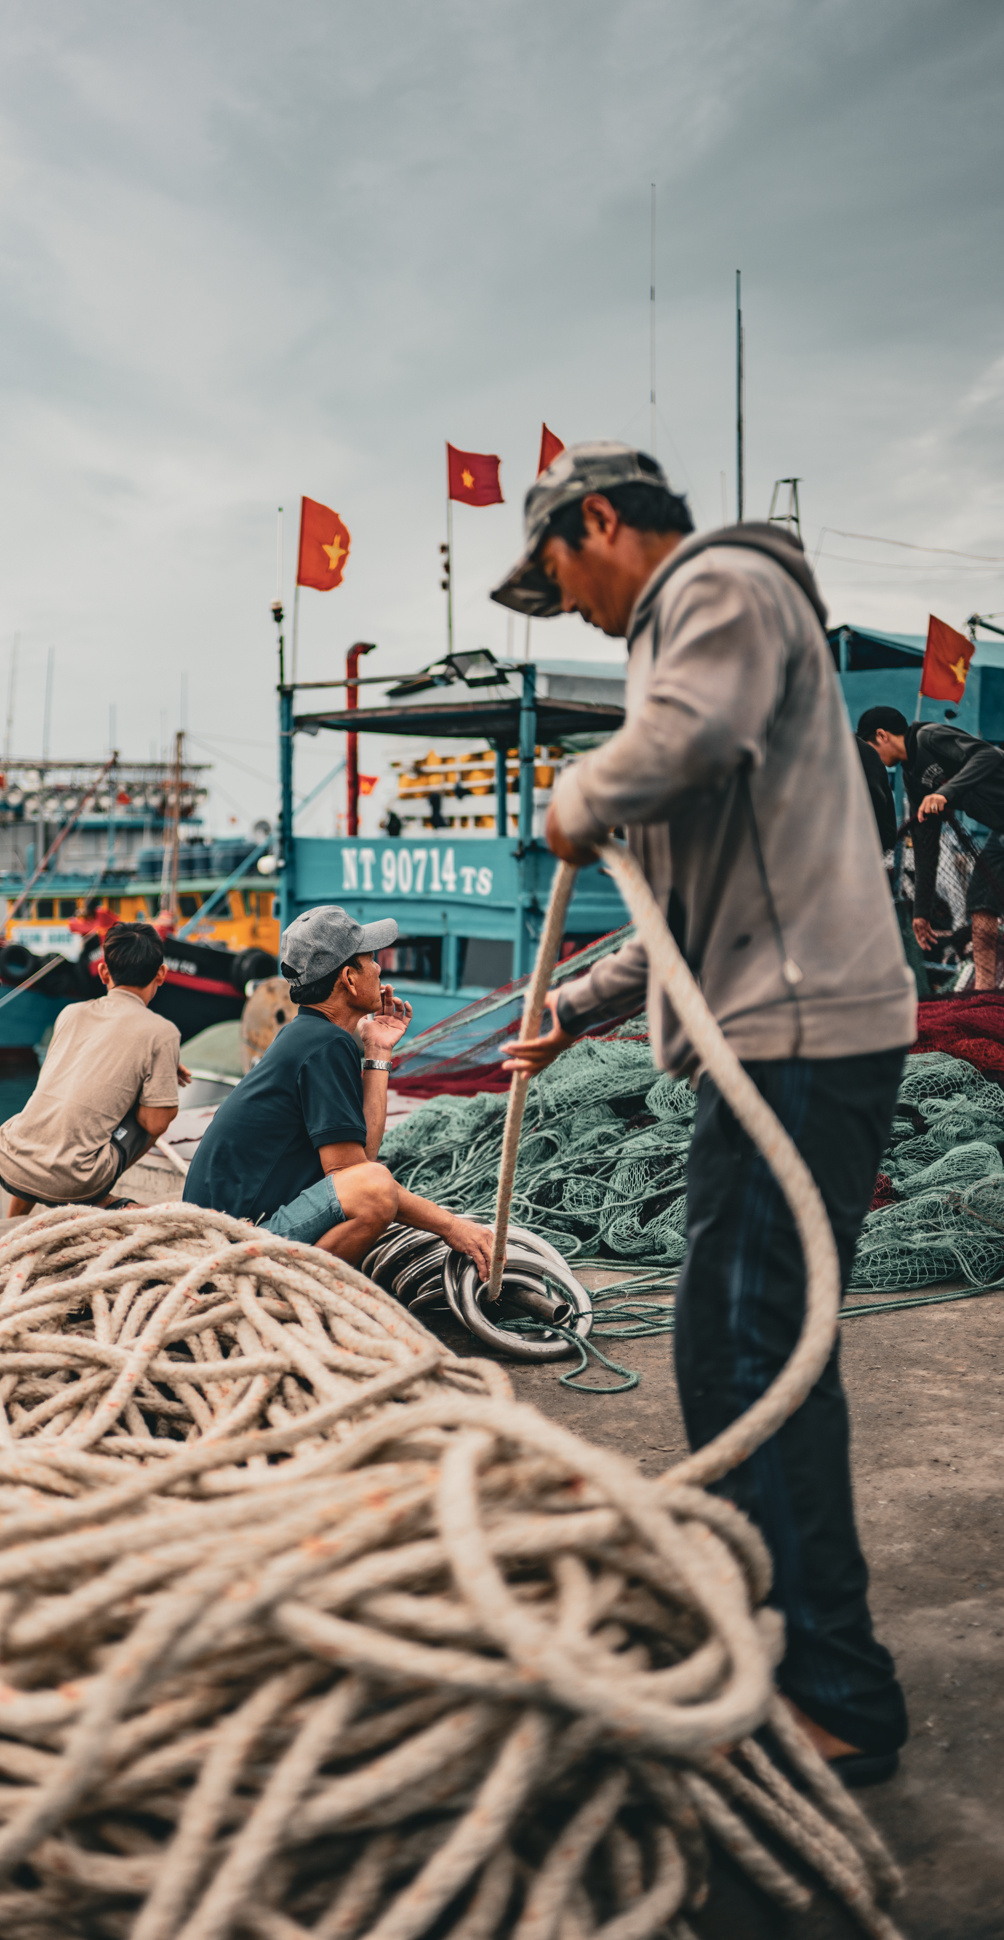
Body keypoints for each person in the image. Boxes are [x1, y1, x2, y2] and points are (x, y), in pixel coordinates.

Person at [494, 442, 916, 1785]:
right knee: (737, 1339)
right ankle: (786, 1645)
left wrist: (574, 795)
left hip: (798, 1038)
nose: (564, 606)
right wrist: (576, 1003)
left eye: (555, 575)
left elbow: (680, 743)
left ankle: (832, 1691)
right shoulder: (708, 623)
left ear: (598, 522)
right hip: (780, 1030)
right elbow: (686, 928)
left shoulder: (720, 585)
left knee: (747, 1351)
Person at [183, 905, 493, 1275]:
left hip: (231, 1233)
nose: (379, 969)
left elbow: (362, 1161)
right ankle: (294, 1290)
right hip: (234, 1244)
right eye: (371, 959)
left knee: (373, 1181)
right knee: (377, 1189)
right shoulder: (324, 1045)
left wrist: (377, 1050)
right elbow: (364, 1182)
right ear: (349, 977)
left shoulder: (308, 1036)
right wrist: (452, 1227)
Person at [0, 922, 189, 1213]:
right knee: (159, 1106)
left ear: (102, 972)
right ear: (161, 974)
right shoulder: (162, 1032)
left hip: (10, 1162)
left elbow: (91, 1066)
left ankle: (12, 1223)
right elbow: (155, 1123)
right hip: (75, 1181)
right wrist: (159, 1073)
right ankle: (99, 1198)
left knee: (58, 1104)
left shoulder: (70, 1013)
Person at [858, 703, 1004, 988]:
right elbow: (926, 845)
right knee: (981, 902)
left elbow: (988, 755)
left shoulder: (929, 737)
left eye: (869, 749)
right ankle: (983, 996)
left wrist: (946, 792)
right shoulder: (912, 777)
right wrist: (921, 913)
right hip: (1001, 831)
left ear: (882, 735)